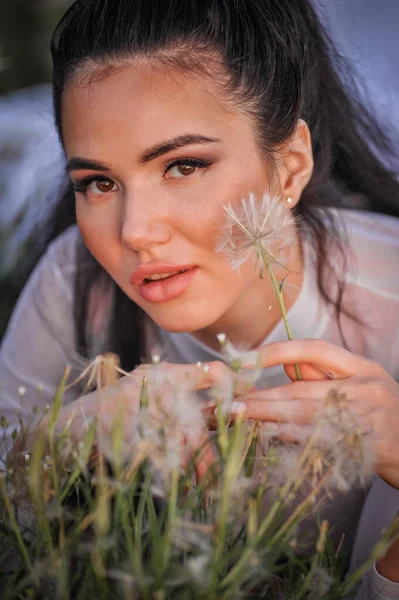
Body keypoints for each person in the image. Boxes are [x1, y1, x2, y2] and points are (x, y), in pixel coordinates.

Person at [1, 0, 399, 596]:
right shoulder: (76, 284)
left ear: (290, 168)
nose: (135, 232)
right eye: (99, 183)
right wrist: (61, 444)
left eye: (183, 166)